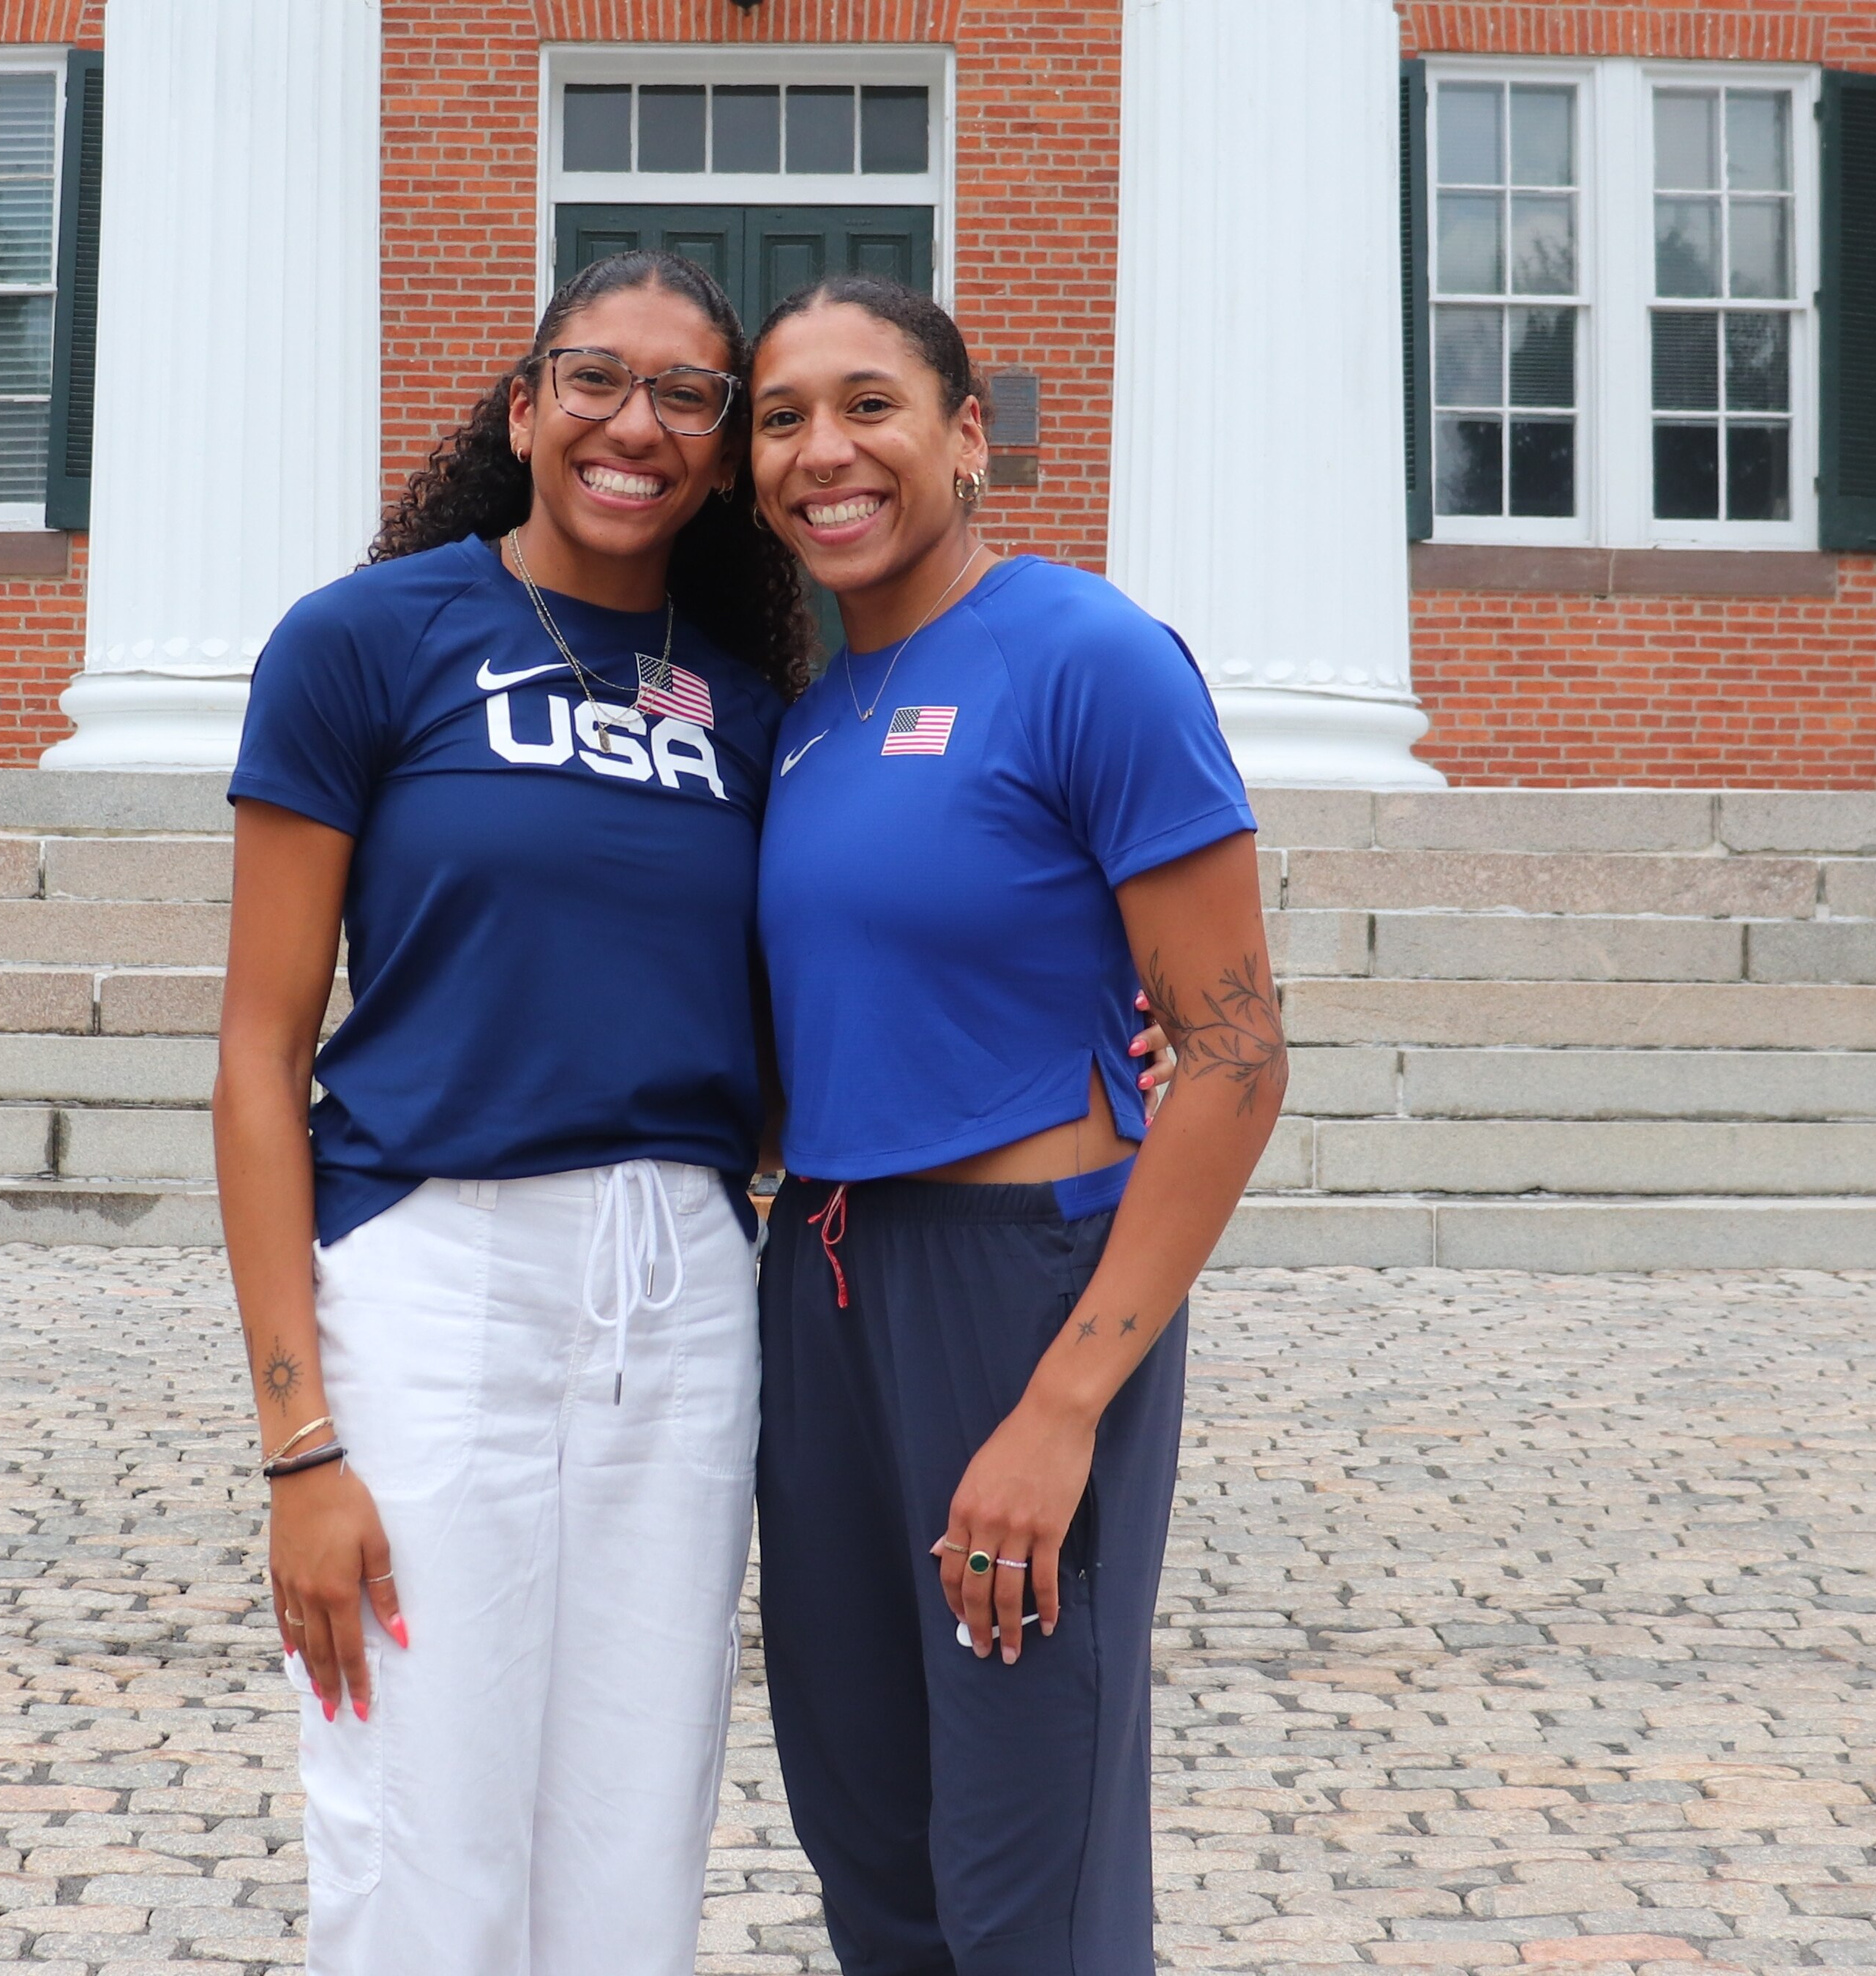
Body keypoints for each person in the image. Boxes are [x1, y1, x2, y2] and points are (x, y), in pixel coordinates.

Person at [213, 250, 811, 1975]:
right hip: (433, 1268)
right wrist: (299, 1443)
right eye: (596, 379)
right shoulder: (364, 644)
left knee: (635, 1823)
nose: (638, 424)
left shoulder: (752, 705)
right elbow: (260, 1053)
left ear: (718, 451)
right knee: (422, 1817)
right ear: (525, 404)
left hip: (686, 1291)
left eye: (688, 395)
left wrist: (1107, 1043)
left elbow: (808, 1030)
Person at [743, 274, 1285, 1975]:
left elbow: (1240, 1056)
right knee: (869, 1842)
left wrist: (1060, 1409)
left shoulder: (1090, 660)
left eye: (869, 405)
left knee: (1021, 1859)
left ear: (969, 434)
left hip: (1016, 1293)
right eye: (780, 419)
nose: (823, 451)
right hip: (821, 1276)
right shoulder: (810, 711)